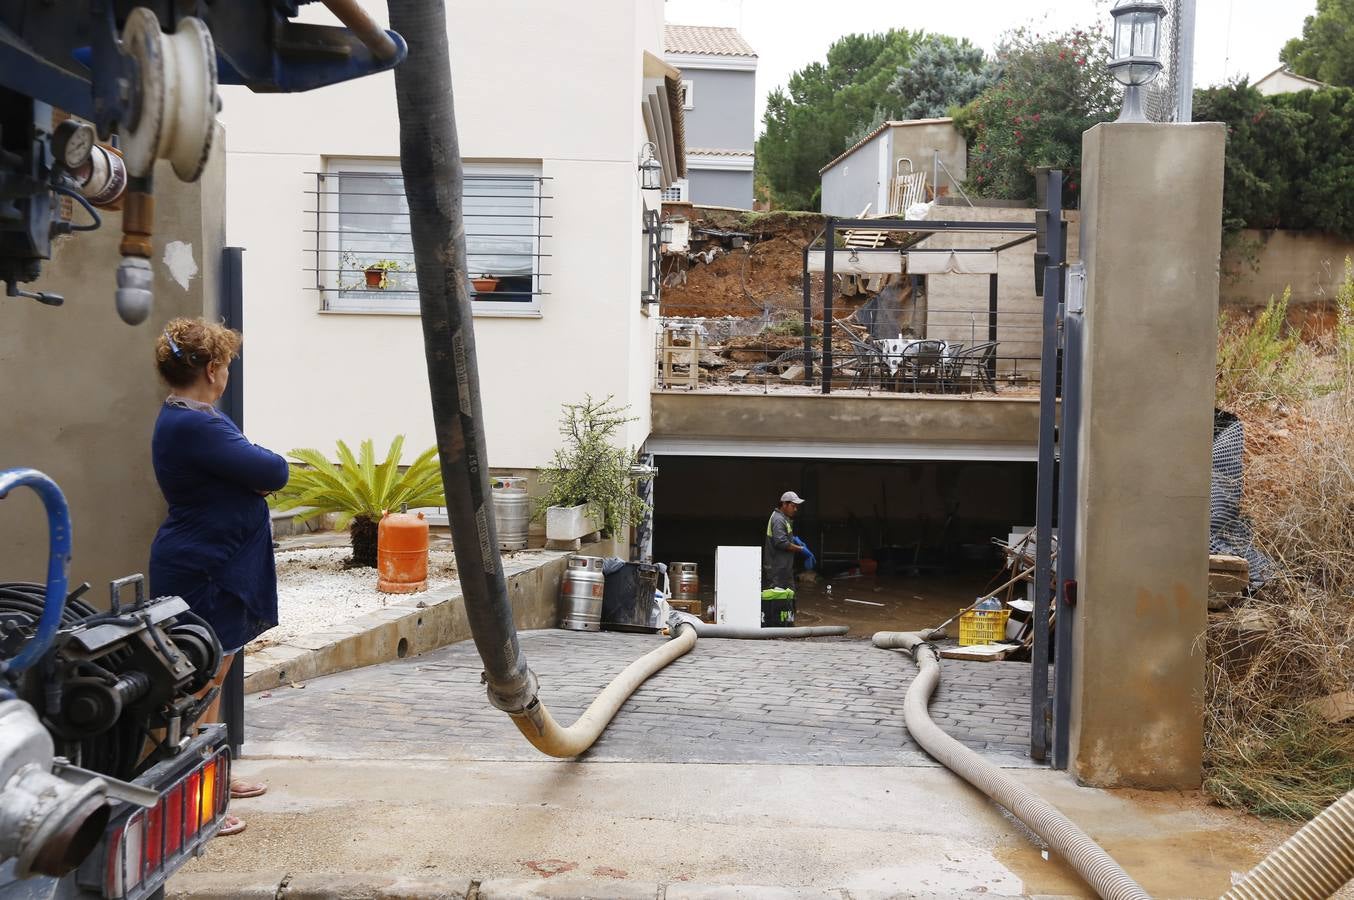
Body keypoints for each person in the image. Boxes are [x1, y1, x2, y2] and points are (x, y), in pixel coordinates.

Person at [149, 318, 289, 836]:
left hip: (214, 563)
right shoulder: (198, 424)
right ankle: (197, 805)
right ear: (213, 369)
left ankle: (215, 778)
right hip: (205, 570)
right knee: (200, 686)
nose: (227, 371)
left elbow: (251, 471)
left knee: (210, 677)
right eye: (226, 363)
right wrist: (259, 472)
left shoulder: (191, 417)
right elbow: (273, 471)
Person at [762, 491, 809, 591]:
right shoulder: (778, 519)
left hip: (783, 568)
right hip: (777, 569)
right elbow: (781, 542)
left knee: (788, 598)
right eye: (793, 506)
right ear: (784, 504)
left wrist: (795, 540)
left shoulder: (783, 518)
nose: (795, 509)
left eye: (796, 506)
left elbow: (784, 536)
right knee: (778, 599)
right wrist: (801, 549)